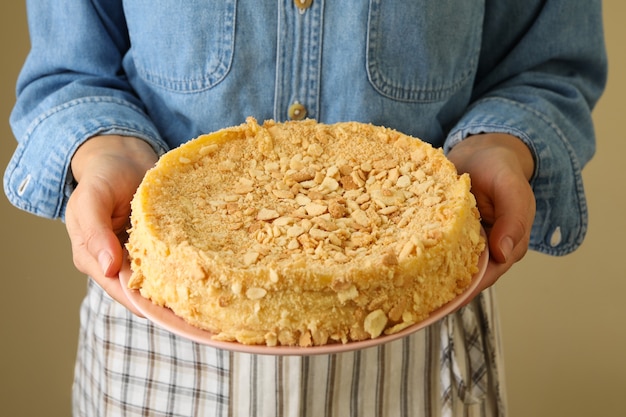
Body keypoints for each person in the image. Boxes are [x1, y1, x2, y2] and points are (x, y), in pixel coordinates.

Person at [4, 1, 606, 416]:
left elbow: (550, 64)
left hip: (419, 355)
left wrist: (501, 143)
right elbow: (69, 70)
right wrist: (106, 148)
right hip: (158, 347)